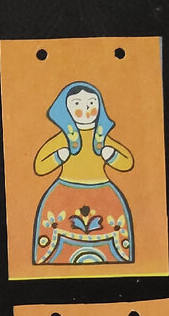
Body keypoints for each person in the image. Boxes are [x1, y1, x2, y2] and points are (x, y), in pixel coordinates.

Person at [32, 82, 134, 264]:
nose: (86, 109)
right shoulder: (63, 138)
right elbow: (40, 166)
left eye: (91, 103)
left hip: (103, 194)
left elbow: (127, 162)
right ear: (66, 110)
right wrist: (58, 157)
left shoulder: (101, 138)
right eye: (77, 104)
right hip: (64, 193)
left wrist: (112, 155)